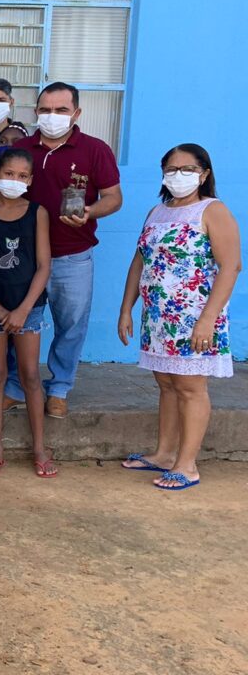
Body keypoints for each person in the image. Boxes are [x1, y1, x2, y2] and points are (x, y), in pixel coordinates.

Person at [0, 82, 123, 419]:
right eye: (45, 109)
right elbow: (1, 188)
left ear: (76, 113)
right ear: (35, 112)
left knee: (71, 323)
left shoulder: (95, 150)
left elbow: (114, 198)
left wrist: (90, 212)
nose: (52, 116)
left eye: (61, 110)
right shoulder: (21, 148)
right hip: (22, 256)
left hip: (72, 255)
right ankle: (15, 387)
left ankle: (60, 387)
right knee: (19, 322)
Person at [118, 144, 241, 491]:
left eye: (188, 169)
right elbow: (140, 262)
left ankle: (187, 465)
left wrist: (207, 319)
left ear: (204, 174)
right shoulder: (157, 211)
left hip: (195, 317)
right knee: (167, 384)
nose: (178, 175)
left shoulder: (213, 210)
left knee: (190, 387)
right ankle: (163, 453)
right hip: (159, 318)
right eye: (171, 169)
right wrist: (127, 308)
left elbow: (231, 266)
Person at [0, 149, 54, 479]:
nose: (14, 180)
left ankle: (39, 449)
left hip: (29, 308)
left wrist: (22, 310)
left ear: (30, 180)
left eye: (22, 176)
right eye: (9, 173)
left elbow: (43, 266)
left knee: (30, 376)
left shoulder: (37, 213)